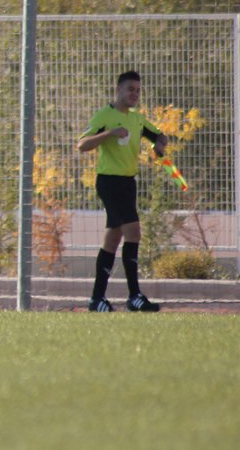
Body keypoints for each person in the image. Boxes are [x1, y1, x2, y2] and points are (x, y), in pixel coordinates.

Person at [78, 70, 168, 313]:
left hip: (128, 183)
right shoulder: (105, 116)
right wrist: (109, 133)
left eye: (138, 90)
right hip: (109, 182)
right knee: (133, 230)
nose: (134, 94)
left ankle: (97, 299)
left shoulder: (137, 119)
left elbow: (159, 135)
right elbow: (82, 144)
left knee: (114, 238)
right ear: (118, 90)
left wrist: (159, 145)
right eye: (130, 89)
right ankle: (134, 296)